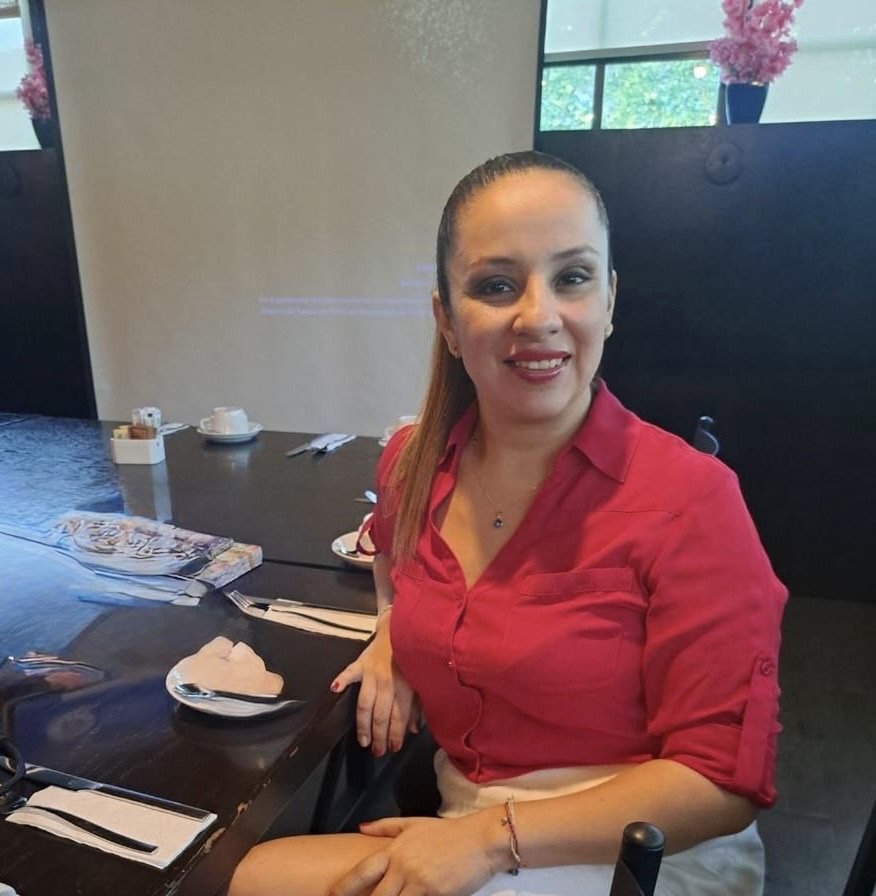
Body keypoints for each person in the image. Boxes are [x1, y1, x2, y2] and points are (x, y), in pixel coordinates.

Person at [228, 151, 787, 896]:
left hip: (642, 847)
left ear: (610, 300)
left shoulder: (692, 501)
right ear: (448, 322)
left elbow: (722, 782)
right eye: (497, 285)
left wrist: (493, 840)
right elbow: (399, 571)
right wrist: (392, 639)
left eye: (573, 277)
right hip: (471, 821)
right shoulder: (408, 464)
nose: (539, 316)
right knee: (258, 875)